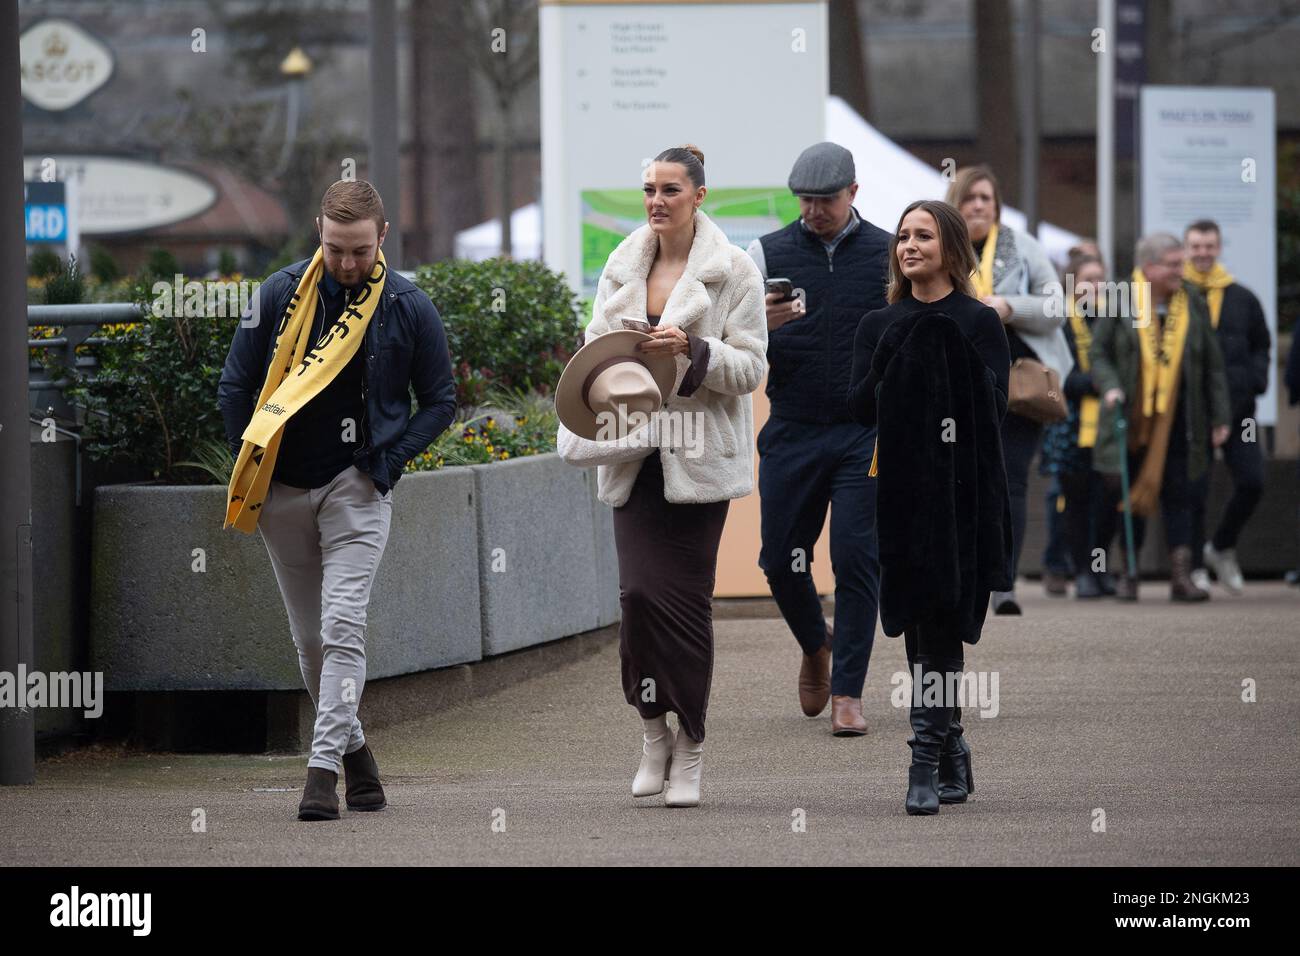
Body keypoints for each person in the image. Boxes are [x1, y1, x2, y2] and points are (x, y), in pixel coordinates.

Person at [218, 180, 457, 820]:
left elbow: (440, 400)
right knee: (310, 643)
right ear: (318, 237)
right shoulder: (276, 295)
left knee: (343, 627)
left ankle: (321, 773)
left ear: (382, 239)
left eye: (358, 251)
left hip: (357, 488)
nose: (346, 265)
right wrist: (252, 461)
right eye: (333, 250)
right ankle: (360, 761)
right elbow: (235, 388)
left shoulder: (408, 305)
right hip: (281, 491)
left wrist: (389, 462)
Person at [556, 145, 767, 808]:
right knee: (638, 602)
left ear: (698, 195)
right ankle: (653, 731)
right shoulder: (621, 265)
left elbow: (751, 370)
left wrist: (694, 350)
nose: (656, 200)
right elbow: (592, 352)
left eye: (670, 188)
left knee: (684, 608)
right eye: (649, 187)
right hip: (631, 455)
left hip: (697, 461)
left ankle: (693, 748)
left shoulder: (733, 270)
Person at [847, 199, 1012, 815]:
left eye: (922, 236)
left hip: (966, 497)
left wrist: (947, 347)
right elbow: (859, 409)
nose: (908, 246)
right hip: (901, 495)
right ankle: (952, 747)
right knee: (918, 626)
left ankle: (923, 759)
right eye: (902, 237)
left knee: (943, 621)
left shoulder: (980, 320)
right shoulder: (876, 324)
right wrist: (893, 356)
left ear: (949, 246)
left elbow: (995, 409)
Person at [746, 142, 891, 735]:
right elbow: (734, 340)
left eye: (825, 200)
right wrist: (759, 319)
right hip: (794, 427)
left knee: (856, 559)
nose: (813, 211)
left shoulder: (888, 252)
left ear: (853, 194)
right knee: (781, 561)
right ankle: (816, 643)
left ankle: (849, 694)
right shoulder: (764, 253)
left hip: (866, 433)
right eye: (804, 200)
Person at [946, 166, 1071, 616]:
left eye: (987, 198)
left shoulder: (1022, 246)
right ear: (954, 204)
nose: (979, 206)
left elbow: (1057, 306)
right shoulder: (940, 246)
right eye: (970, 198)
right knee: (959, 483)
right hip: (955, 388)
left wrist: (1008, 306)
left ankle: (1004, 583)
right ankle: (962, 575)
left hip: (1018, 388)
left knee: (1010, 482)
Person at [1088, 233, 1231, 601]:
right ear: (1148, 267)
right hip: (1131, 418)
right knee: (1130, 493)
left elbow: (1213, 365)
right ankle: (1129, 573)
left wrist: (1220, 416)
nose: (1179, 271)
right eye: (1172, 264)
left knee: (1180, 495)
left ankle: (1181, 577)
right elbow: (1099, 352)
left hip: (1182, 420)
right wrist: (1111, 387)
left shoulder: (1192, 301)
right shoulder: (1121, 297)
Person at [1182, 220, 1271, 594]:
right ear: (1187, 250)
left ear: (1219, 248)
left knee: (1253, 480)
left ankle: (1220, 546)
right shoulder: (1177, 296)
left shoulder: (1243, 298)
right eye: (1196, 246)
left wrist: (1255, 381)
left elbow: (1261, 346)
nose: (1203, 253)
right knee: (1195, 490)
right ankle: (1195, 568)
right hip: (1193, 412)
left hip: (1240, 410)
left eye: (1209, 246)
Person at [1038, 255, 1117, 598]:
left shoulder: (1114, 318)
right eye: (1087, 279)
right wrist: (1095, 382)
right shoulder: (1060, 320)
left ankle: (1101, 569)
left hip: (1107, 422)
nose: (1095, 286)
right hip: (1069, 424)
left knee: (1107, 501)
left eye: (1100, 279)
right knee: (1076, 502)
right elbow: (1055, 373)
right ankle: (1083, 571)